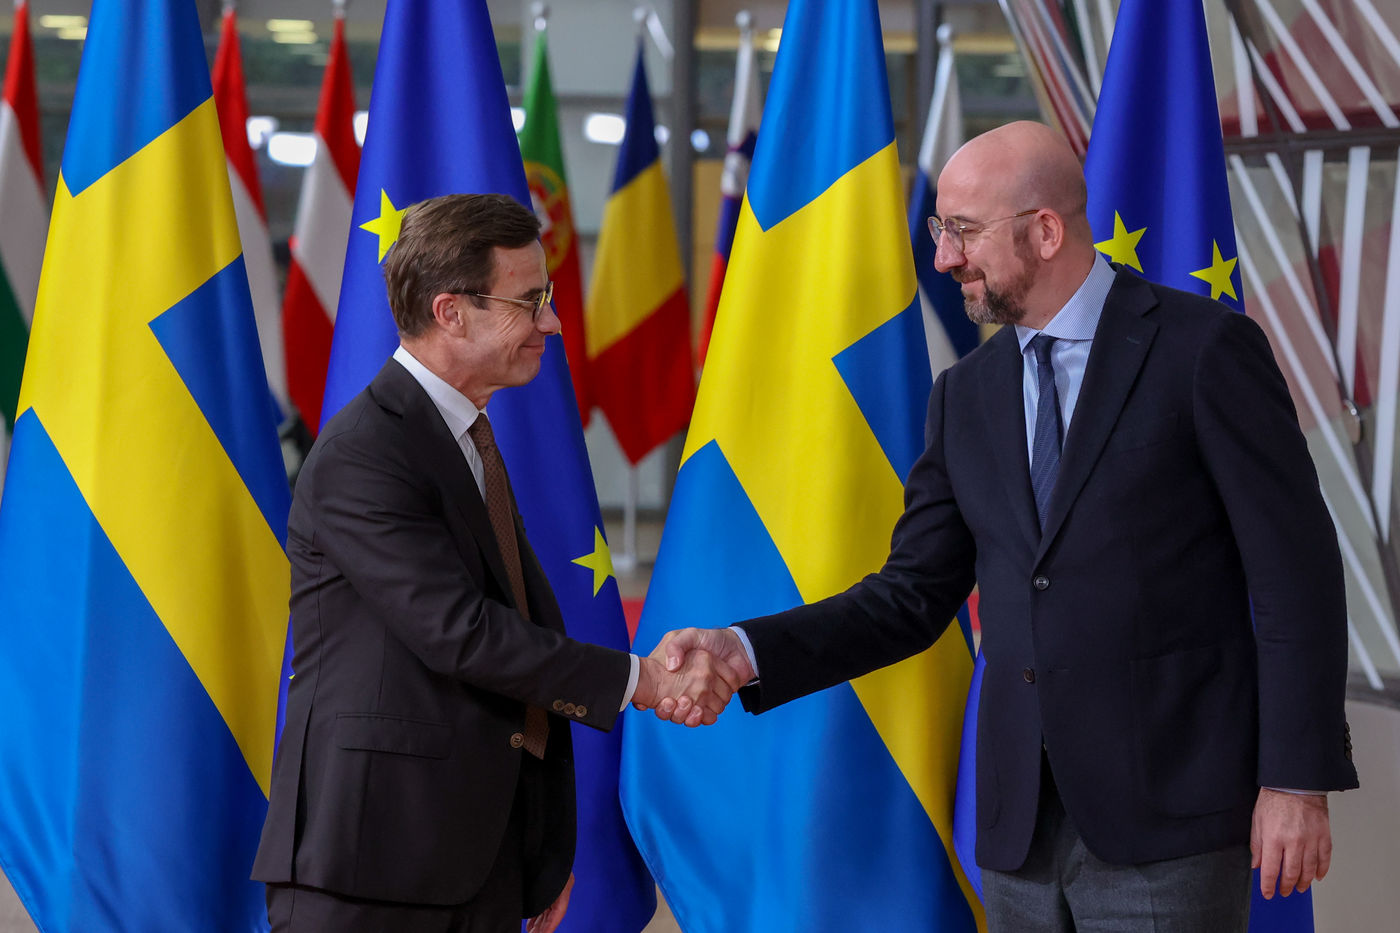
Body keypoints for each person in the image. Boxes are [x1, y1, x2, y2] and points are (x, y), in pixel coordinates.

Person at [647, 122, 1358, 931]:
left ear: (1045, 231)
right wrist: (747, 651)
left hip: (1171, 823)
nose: (943, 257)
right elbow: (909, 595)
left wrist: (1295, 779)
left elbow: (1295, 575)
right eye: (939, 229)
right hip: (1018, 834)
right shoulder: (966, 394)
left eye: (962, 230)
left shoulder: (1203, 351)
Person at [252, 193, 738, 933]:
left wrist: (532, 852)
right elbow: (463, 634)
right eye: (529, 301)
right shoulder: (366, 453)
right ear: (450, 312)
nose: (552, 322)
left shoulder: (464, 436)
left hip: (470, 858)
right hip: (372, 869)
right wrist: (642, 679)